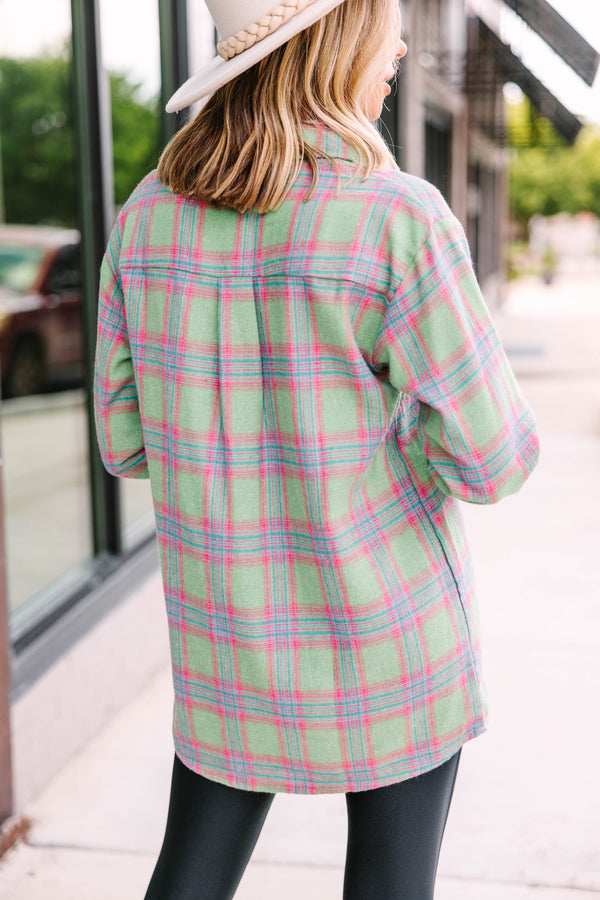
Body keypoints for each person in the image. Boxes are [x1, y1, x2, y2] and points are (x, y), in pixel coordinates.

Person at [93, 0, 541, 897]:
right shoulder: (396, 218)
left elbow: (125, 443)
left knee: (188, 879)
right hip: (391, 643)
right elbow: (496, 461)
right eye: (385, 22)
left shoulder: (146, 217)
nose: (402, 44)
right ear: (331, 44)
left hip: (228, 646)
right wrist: (386, 437)